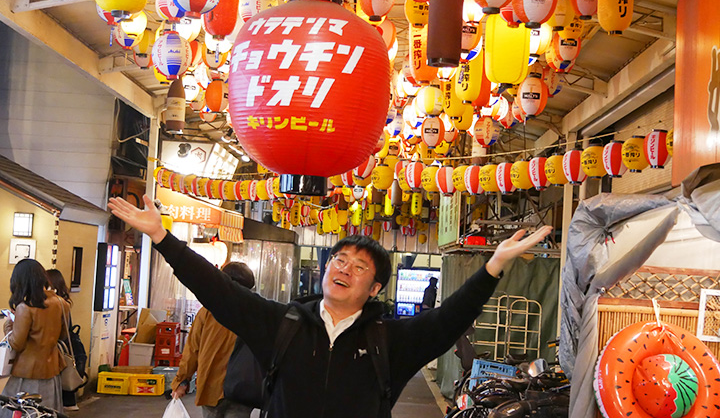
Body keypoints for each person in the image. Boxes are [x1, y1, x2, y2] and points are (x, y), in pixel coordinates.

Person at [108, 195, 552, 418]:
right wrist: (163, 239)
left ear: (375, 288)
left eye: (359, 266)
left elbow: (448, 319)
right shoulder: (283, 324)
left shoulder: (389, 341)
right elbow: (218, 292)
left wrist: (492, 266)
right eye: (339, 259)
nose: (344, 268)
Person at [171, 262, 257, 418]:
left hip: (211, 387)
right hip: (242, 389)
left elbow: (192, 349)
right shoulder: (254, 314)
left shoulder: (207, 312)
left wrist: (182, 381)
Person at [1, 259, 69, 417]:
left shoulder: (25, 307)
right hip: (52, 370)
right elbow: (63, 336)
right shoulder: (61, 303)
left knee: (17, 411)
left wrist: (9, 325)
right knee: (46, 413)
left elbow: (16, 343)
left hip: (26, 373)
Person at [45, 269, 80, 412]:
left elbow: (62, 331)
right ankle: (68, 400)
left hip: (59, 348)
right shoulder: (63, 302)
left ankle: (65, 402)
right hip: (66, 346)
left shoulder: (55, 304)